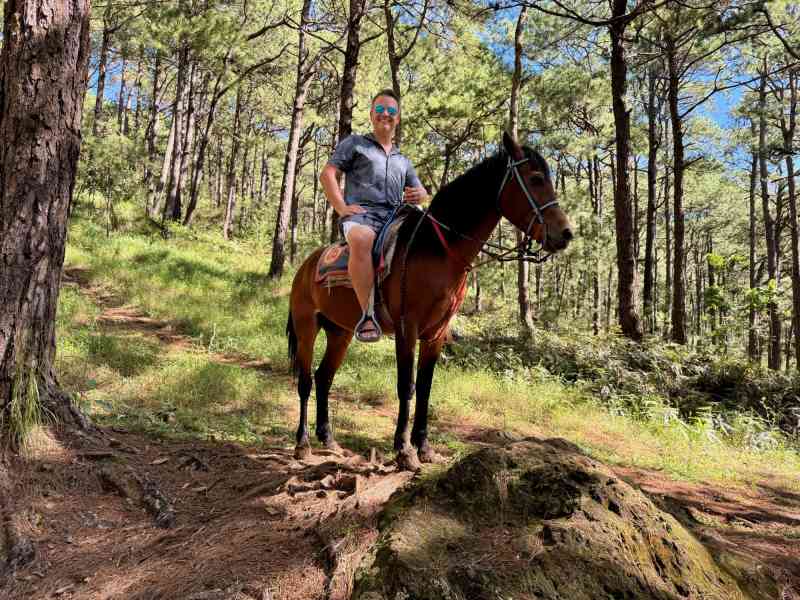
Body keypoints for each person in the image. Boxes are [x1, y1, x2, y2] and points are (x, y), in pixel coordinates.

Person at [320, 89, 428, 342]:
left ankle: (437, 316)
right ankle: (368, 316)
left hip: (395, 218)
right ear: (371, 114)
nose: (385, 115)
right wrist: (341, 207)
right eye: (380, 110)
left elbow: (420, 189)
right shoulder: (355, 143)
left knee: (428, 239)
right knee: (361, 240)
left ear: (398, 119)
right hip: (362, 215)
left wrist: (419, 194)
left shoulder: (403, 160)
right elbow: (328, 174)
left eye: (391, 111)